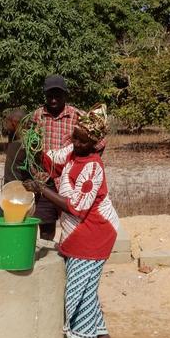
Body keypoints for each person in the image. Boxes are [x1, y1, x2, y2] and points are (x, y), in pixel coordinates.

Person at [23, 104, 118, 338]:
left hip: (94, 232)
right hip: (80, 232)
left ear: (95, 143)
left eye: (80, 139)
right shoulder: (75, 152)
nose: (73, 142)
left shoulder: (93, 168)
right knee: (86, 284)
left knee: (79, 290)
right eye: (73, 136)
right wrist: (34, 142)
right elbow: (50, 158)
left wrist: (42, 188)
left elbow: (77, 206)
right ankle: (102, 337)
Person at [30, 74, 105, 241]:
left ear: (65, 95)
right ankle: (50, 260)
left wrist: (81, 167)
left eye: (58, 95)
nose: (54, 99)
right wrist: (35, 170)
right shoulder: (37, 116)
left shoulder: (79, 116)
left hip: (71, 181)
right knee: (46, 224)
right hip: (46, 179)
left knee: (72, 222)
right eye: (50, 95)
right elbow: (31, 147)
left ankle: (69, 257)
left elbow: (100, 143)